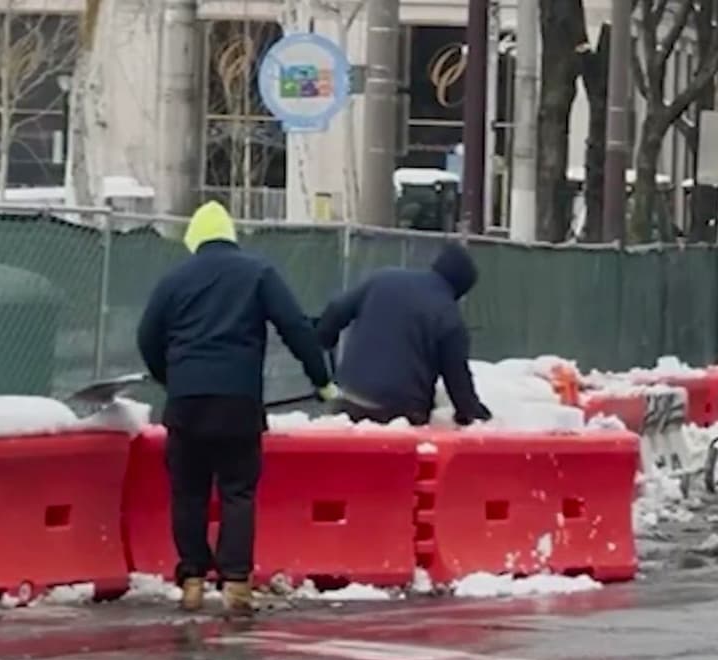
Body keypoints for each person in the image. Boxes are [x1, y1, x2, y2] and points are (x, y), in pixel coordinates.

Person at [136, 200, 338, 615]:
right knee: (237, 492)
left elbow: (147, 336)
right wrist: (320, 378)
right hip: (238, 402)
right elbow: (296, 326)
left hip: (186, 402)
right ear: (231, 235)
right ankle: (236, 583)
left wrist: (170, 378)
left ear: (194, 239)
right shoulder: (257, 272)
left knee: (188, 493)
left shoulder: (174, 280)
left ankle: (192, 578)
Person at [316, 242, 491, 426]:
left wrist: (325, 341)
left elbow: (335, 311)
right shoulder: (449, 316)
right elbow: (457, 380)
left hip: (347, 397)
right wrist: (472, 413)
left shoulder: (384, 278)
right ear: (460, 289)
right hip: (398, 412)